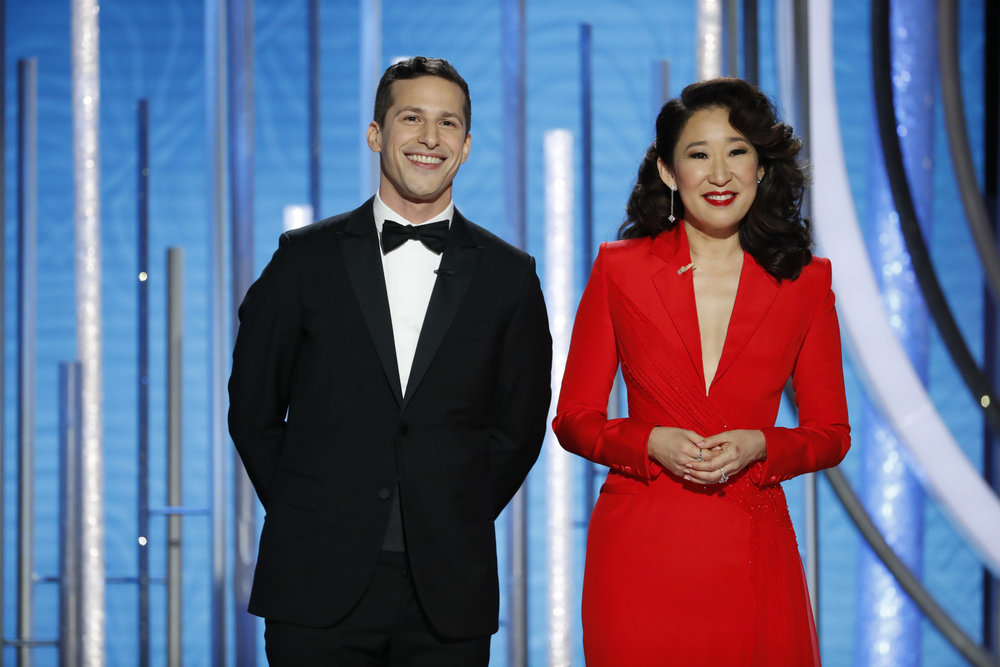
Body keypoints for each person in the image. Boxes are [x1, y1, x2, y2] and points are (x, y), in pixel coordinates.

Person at [228, 56, 552, 665]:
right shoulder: (303, 259)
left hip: (448, 588)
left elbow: (520, 426)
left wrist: (453, 509)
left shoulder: (510, 277)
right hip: (314, 581)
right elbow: (252, 407)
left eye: (448, 124)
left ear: (467, 145)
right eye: (412, 118)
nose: (430, 139)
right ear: (377, 134)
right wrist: (311, 509)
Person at [552, 77, 851, 665]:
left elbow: (831, 435)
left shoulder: (806, 282)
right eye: (698, 154)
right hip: (640, 544)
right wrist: (648, 441)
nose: (720, 174)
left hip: (749, 538)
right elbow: (573, 419)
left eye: (737, 151)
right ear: (668, 171)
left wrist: (762, 445)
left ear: (761, 167)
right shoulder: (620, 269)